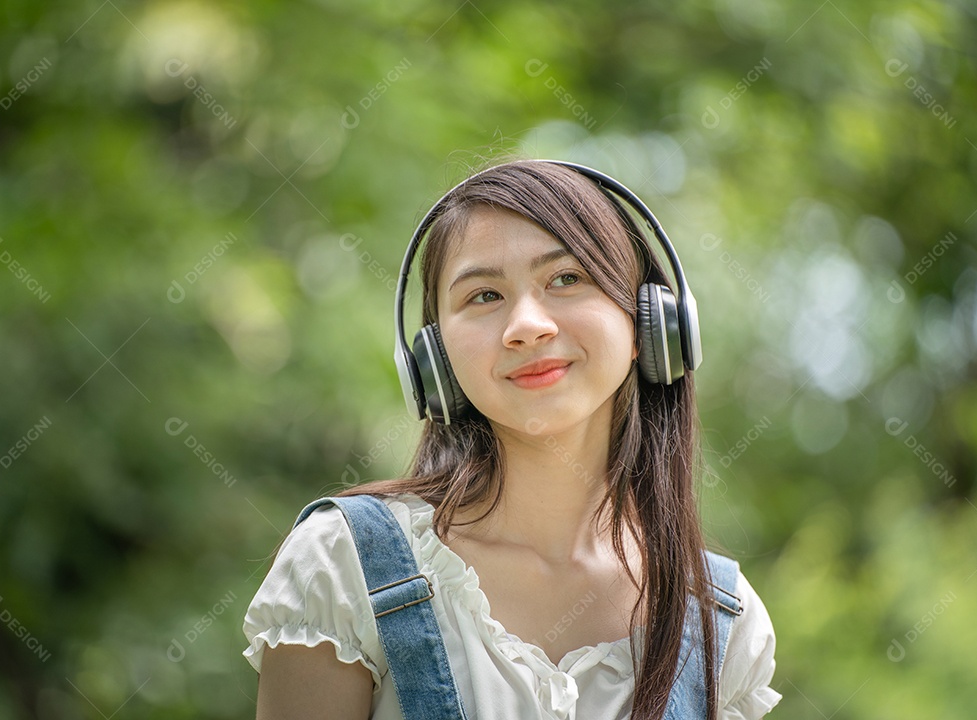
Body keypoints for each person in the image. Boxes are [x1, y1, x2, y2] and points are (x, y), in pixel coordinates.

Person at [241, 159, 781, 719]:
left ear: (650, 324)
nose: (527, 324)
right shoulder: (343, 567)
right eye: (484, 296)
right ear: (435, 363)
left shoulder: (724, 623)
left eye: (567, 279)